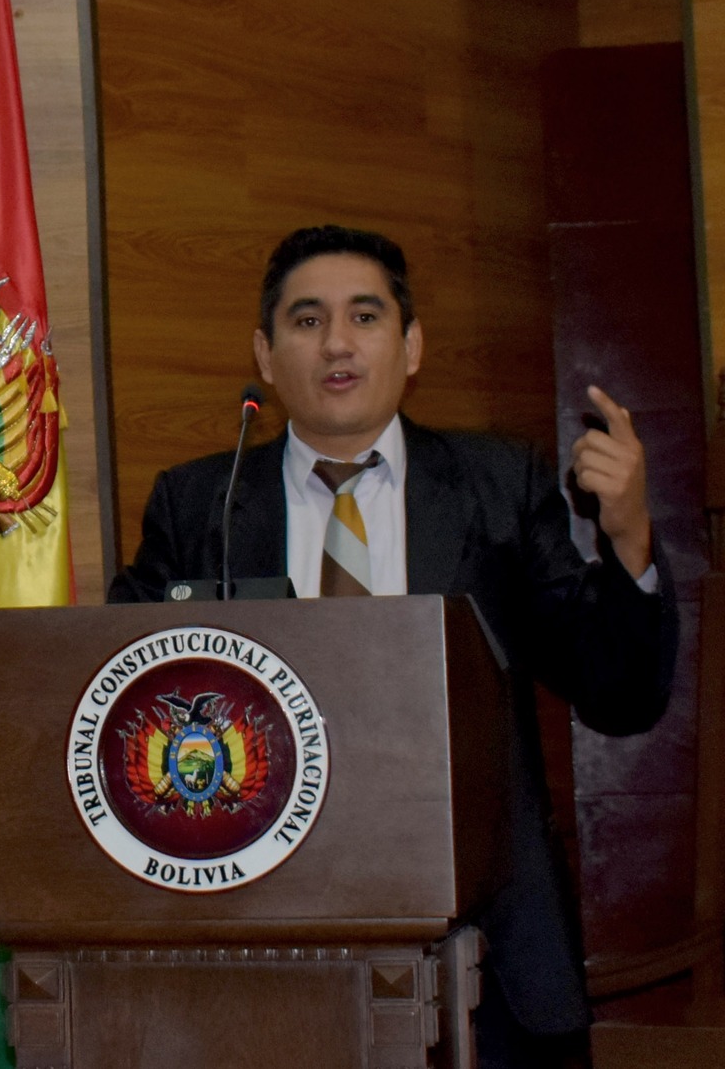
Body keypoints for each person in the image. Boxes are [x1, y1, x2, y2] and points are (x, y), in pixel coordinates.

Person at [110, 224, 678, 1069]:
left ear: (411, 346)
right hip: (262, 957)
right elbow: (120, 697)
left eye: (365, 317)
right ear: (266, 355)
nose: (337, 342)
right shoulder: (202, 504)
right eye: (306, 321)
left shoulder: (497, 486)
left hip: (486, 952)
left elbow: (619, 694)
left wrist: (628, 537)